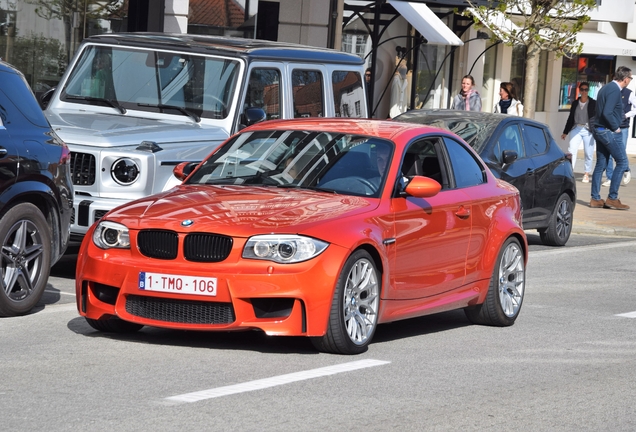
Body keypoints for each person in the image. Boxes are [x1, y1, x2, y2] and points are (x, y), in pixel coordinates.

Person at [590, 66, 632, 210]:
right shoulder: (615, 90)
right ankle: (612, 198)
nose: (630, 80)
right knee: (622, 161)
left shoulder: (605, 88)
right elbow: (607, 112)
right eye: (630, 78)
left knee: (601, 164)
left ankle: (595, 198)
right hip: (608, 130)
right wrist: (616, 127)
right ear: (625, 79)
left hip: (599, 129)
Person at [561, 82, 596, 183]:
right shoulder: (575, 103)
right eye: (582, 90)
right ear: (579, 91)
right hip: (576, 128)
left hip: (588, 130)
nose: (584, 92)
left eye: (586, 90)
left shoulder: (593, 103)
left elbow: (596, 117)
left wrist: (596, 130)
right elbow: (571, 118)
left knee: (588, 152)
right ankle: (570, 172)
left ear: (588, 91)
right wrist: (565, 132)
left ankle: (586, 173)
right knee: (571, 150)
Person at [602, 85, 634, 186]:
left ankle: (626, 170)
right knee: (610, 153)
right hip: (610, 126)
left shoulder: (629, 93)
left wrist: (626, 115)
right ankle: (610, 178)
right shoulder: (610, 91)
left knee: (621, 151)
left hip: (623, 127)